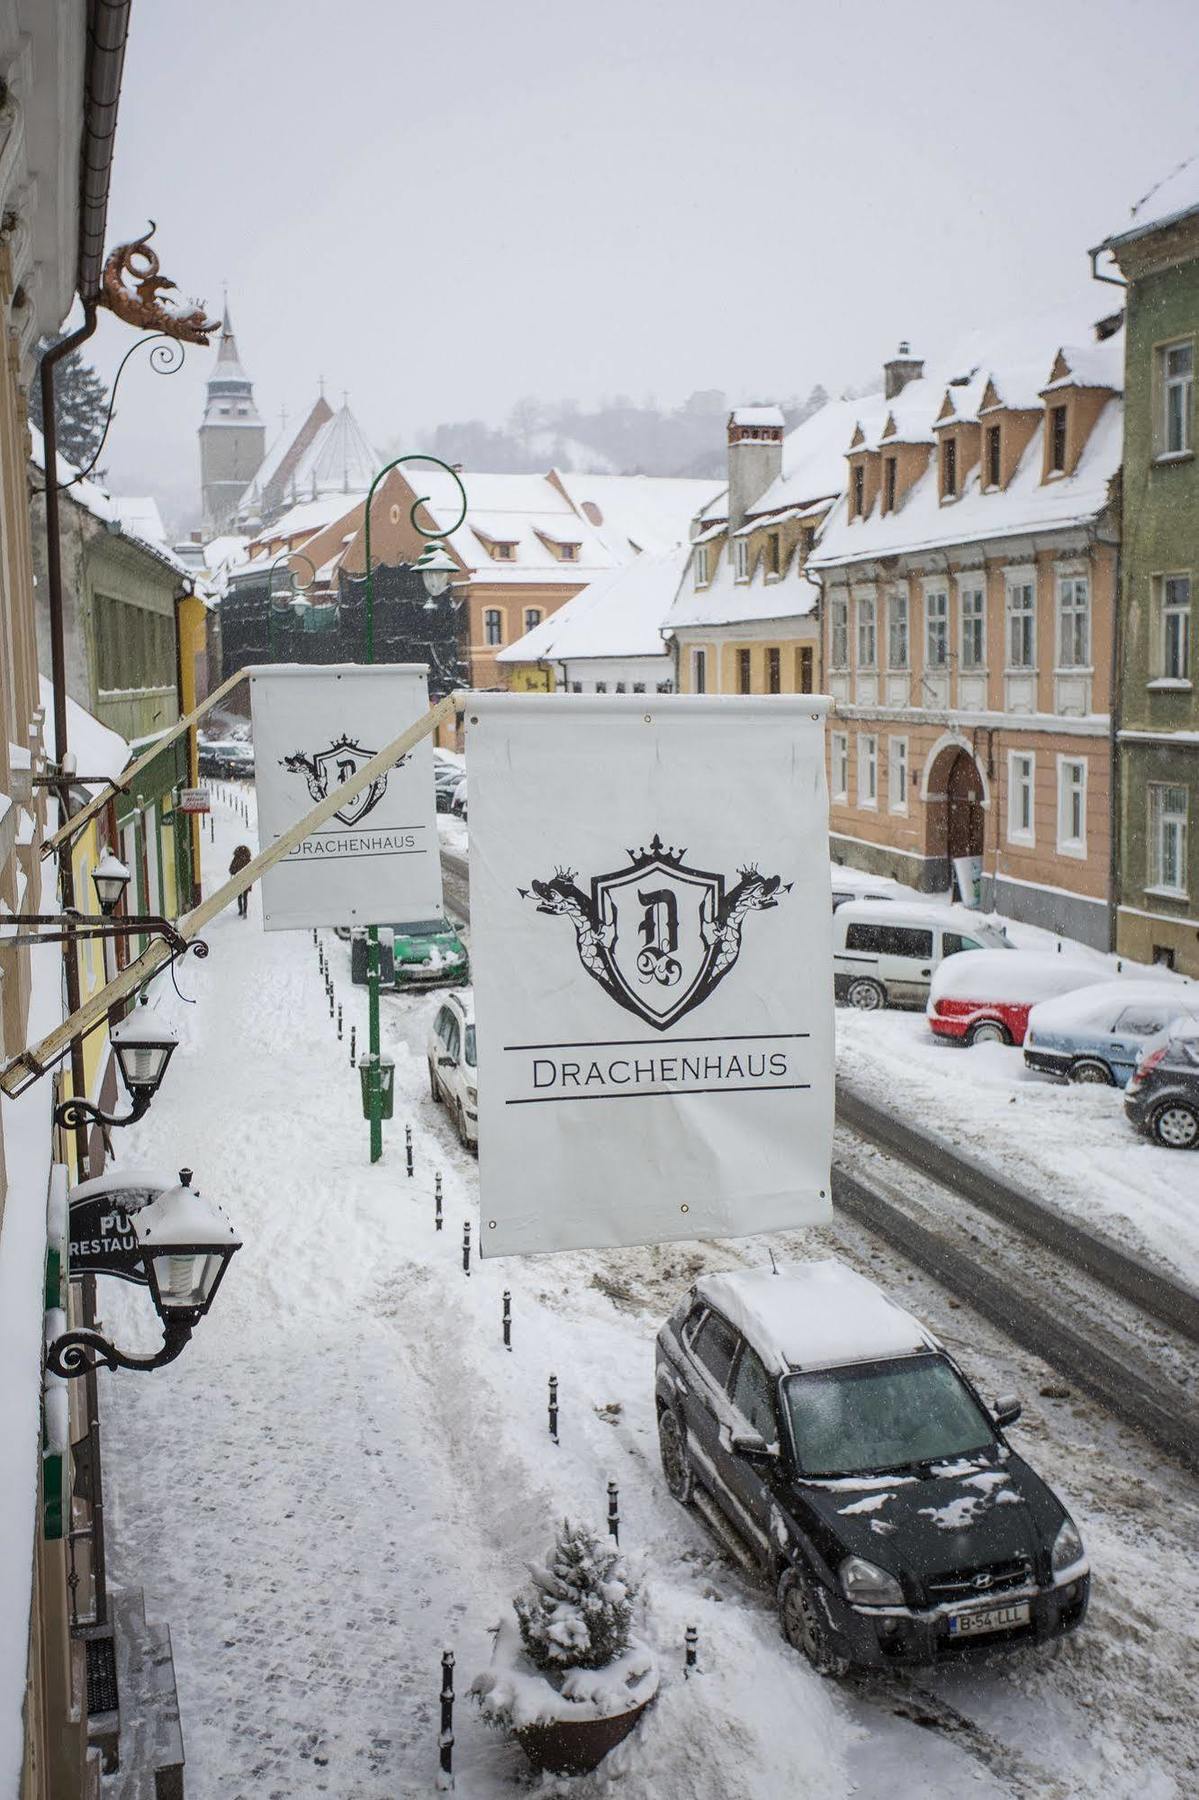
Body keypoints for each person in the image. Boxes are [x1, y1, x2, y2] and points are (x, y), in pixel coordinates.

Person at [229, 843, 252, 918]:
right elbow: (251, 869)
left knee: (239, 896)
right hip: (246, 879)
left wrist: (234, 871)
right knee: (245, 896)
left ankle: (241, 911)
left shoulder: (236, 858)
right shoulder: (248, 859)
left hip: (238, 880)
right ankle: (245, 911)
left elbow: (231, 869)